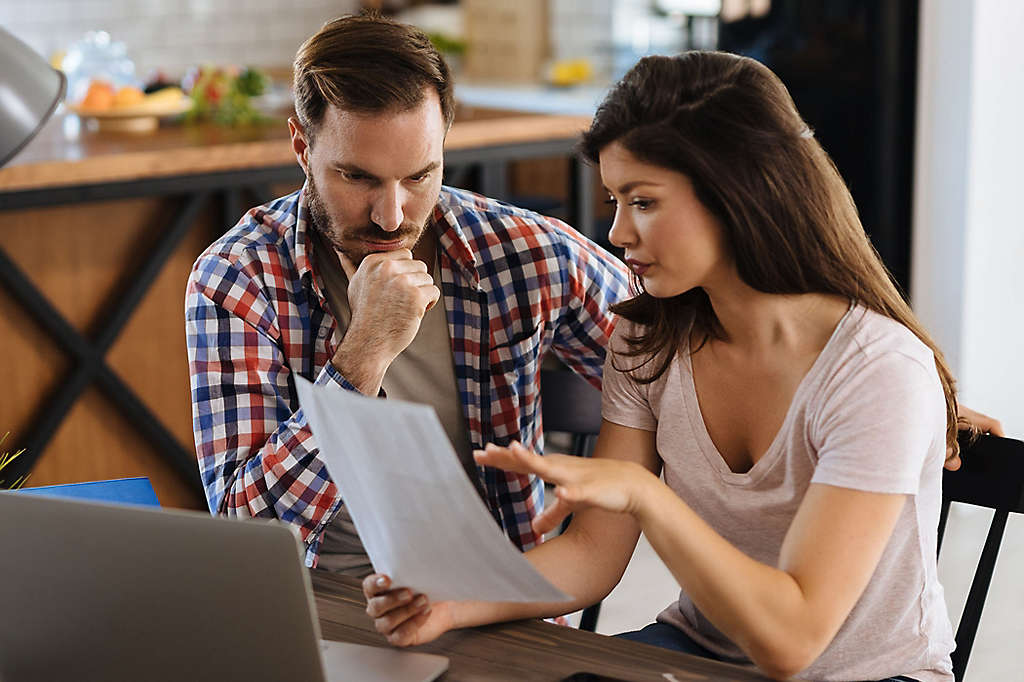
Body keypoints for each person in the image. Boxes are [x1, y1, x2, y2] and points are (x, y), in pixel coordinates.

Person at [363, 52, 992, 681]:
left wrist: (646, 497)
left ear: (735, 191)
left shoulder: (876, 372)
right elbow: (591, 555)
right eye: (614, 199)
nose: (616, 232)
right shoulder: (646, 341)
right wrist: (450, 600)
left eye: (642, 201)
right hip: (700, 655)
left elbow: (792, 642)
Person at [184, 14, 631, 571]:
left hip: (497, 604)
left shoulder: (525, 252)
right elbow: (246, 535)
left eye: (419, 177)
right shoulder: (237, 279)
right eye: (359, 178)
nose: (391, 216)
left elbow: (679, 371)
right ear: (302, 145)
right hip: (318, 608)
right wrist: (363, 354)